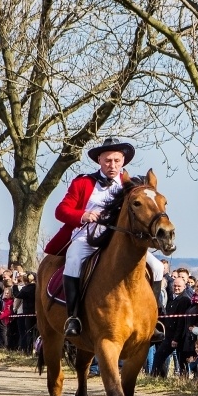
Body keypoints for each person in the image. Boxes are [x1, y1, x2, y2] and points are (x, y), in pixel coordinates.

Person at [44, 137, 164, 337]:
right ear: (99, 160)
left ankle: (156, 319)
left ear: (123, 161)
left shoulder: (131, 185)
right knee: (73, 260)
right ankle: (73, 317)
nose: (113, 165)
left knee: (158, 267)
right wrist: (82, 215)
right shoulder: (83, 182)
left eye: (117, 161)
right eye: (108, 160)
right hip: (86, 235)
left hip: (117, 238)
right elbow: (61, 211)